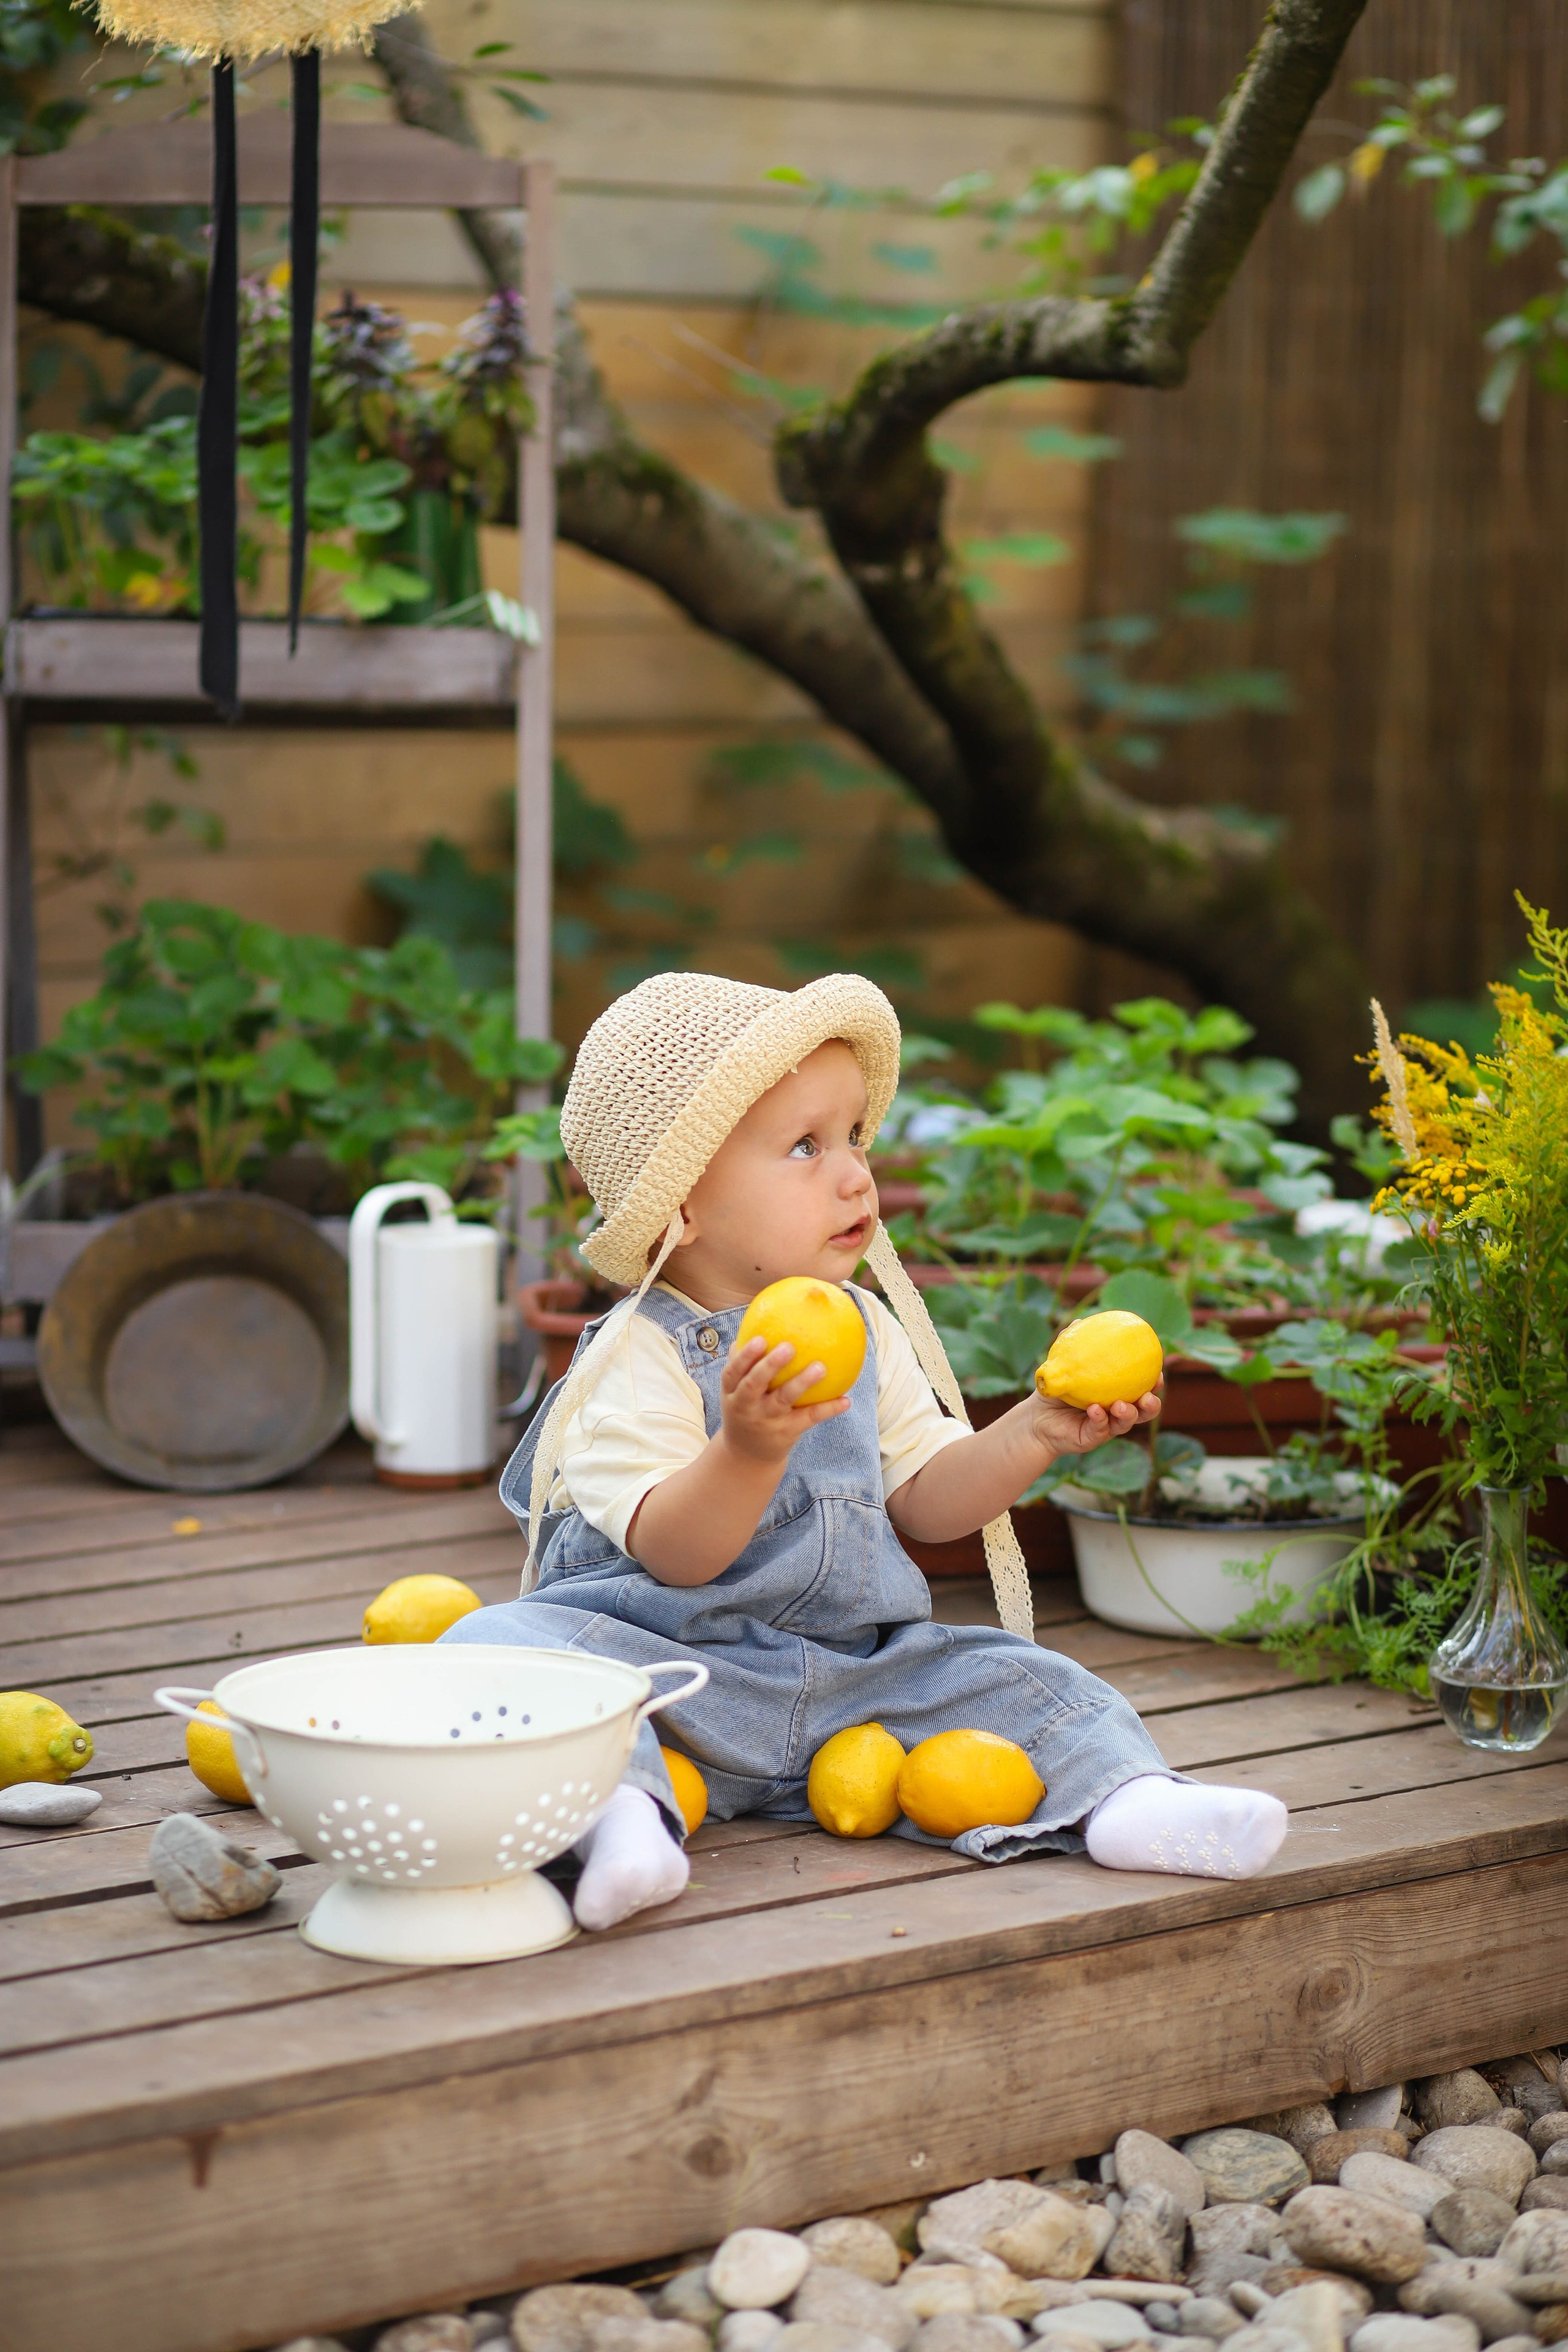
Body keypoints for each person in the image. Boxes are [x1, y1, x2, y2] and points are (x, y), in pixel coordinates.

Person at [448, 971, 1287, 1930]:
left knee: (1028, 1679)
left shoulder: (865, 1327)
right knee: (497, 1646)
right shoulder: (632, 1359)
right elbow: (678, 1554)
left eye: (855, 1138)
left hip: (859, 1682)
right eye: (805, 1146)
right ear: (680, 1202)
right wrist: (750, 1449)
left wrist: (1035, 1429)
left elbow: (928, 1502)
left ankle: (1134, 1806)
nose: (855, 1176)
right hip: (672, 1680)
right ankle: (625, 1821)